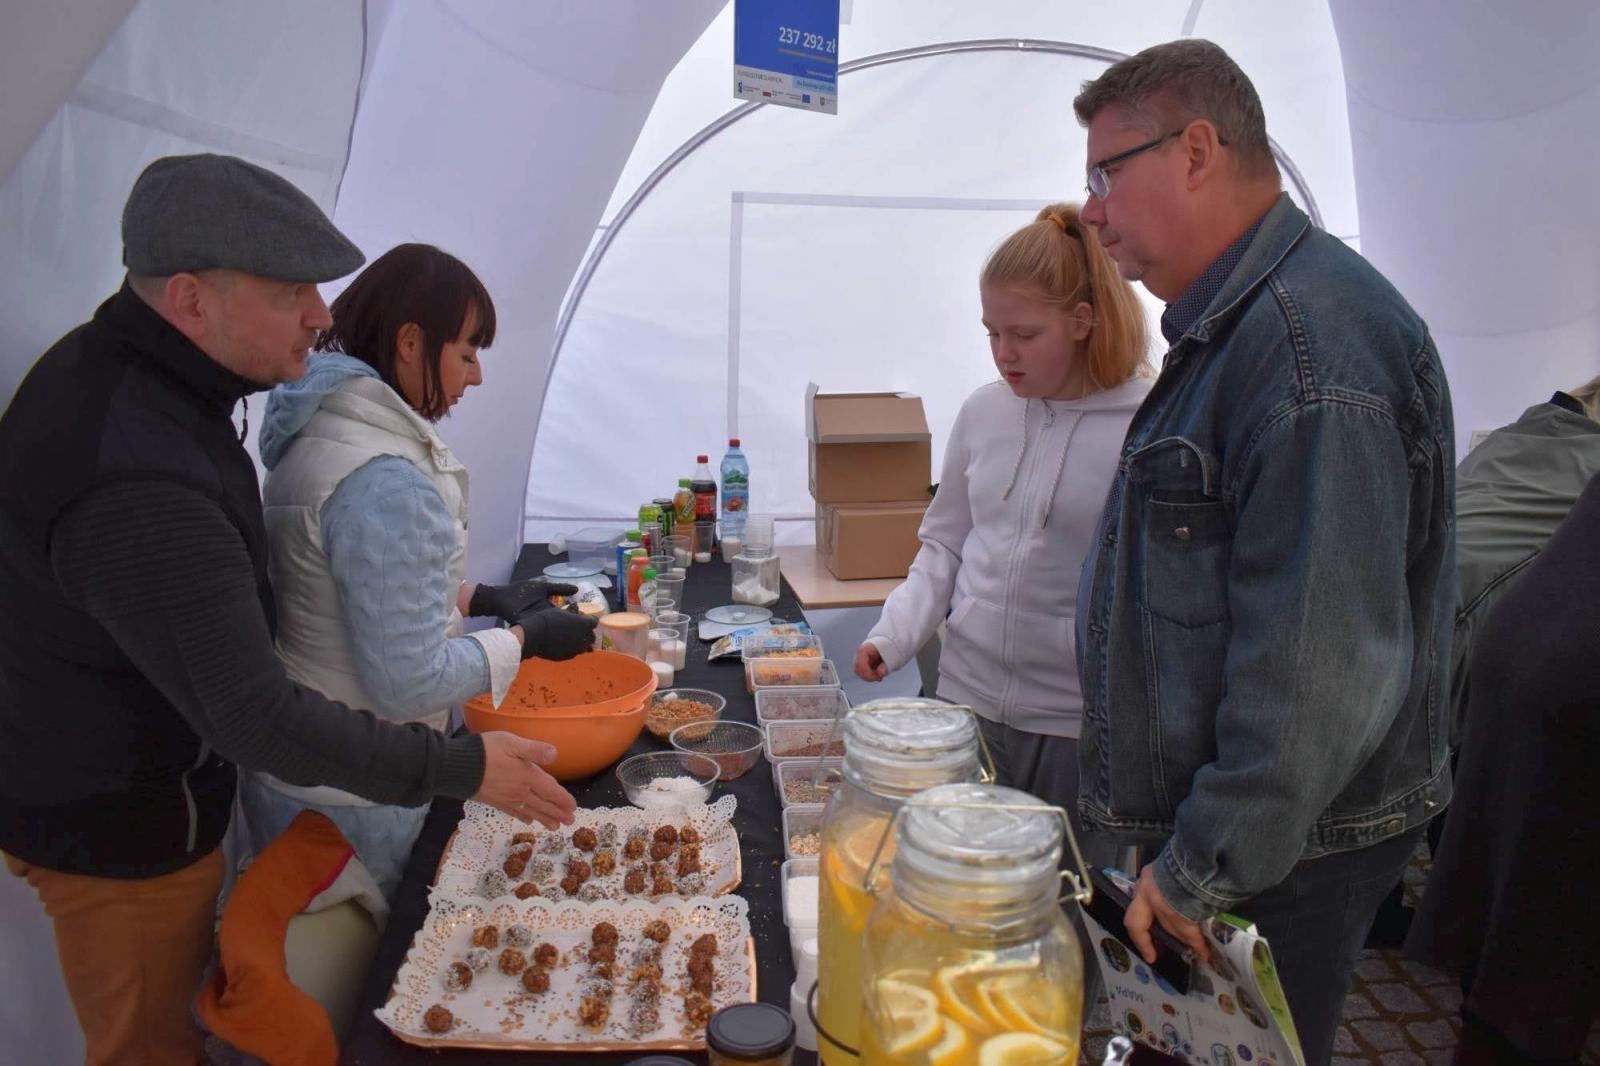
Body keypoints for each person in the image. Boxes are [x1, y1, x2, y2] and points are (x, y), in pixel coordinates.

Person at [0, 154, 576, 1066]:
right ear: (191, 300)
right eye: (291, 289)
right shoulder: (136, 465)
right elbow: (256, 713)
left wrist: (469, 602)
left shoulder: (166, 398)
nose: (320, 313)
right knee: (153, 1047)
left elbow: (276, 581)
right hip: (123, 830)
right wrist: (462, 765)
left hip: (175, 795)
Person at [1070, 41, 1453, 1066]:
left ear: (1196, 149)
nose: (1092, 210)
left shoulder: (1306, 346)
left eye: (1108, 173)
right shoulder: (1238, 327)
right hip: (1241, 823)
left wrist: (1200, 865)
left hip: (1280, 845)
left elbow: (1319, 668)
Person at [240, 243, 596, 900]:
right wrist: (526, 640)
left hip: (305, 776)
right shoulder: (386, 481)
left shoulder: (323, 436)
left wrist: (484, 595)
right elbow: (410, 683)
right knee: (364, 982)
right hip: (354, 800)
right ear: (410, 343)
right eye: (466, 353)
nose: (478, 376)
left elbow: (351, 589)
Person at [853, 202, 1150, 818]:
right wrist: (896, 634)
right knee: (957, 886)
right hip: (965, 702)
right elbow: (945, 545)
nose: (1003, 353)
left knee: (1059, 899)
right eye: (992, 332)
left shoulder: (1146, 425)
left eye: (1024, 334)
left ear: (1083, 321)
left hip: (1076, 726)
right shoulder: (985, 412)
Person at [1405, 472, 1600, 1066]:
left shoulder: (1531, 442)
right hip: (1562, 684)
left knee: (1519, 932)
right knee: (1542, 951)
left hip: (1517, 649)